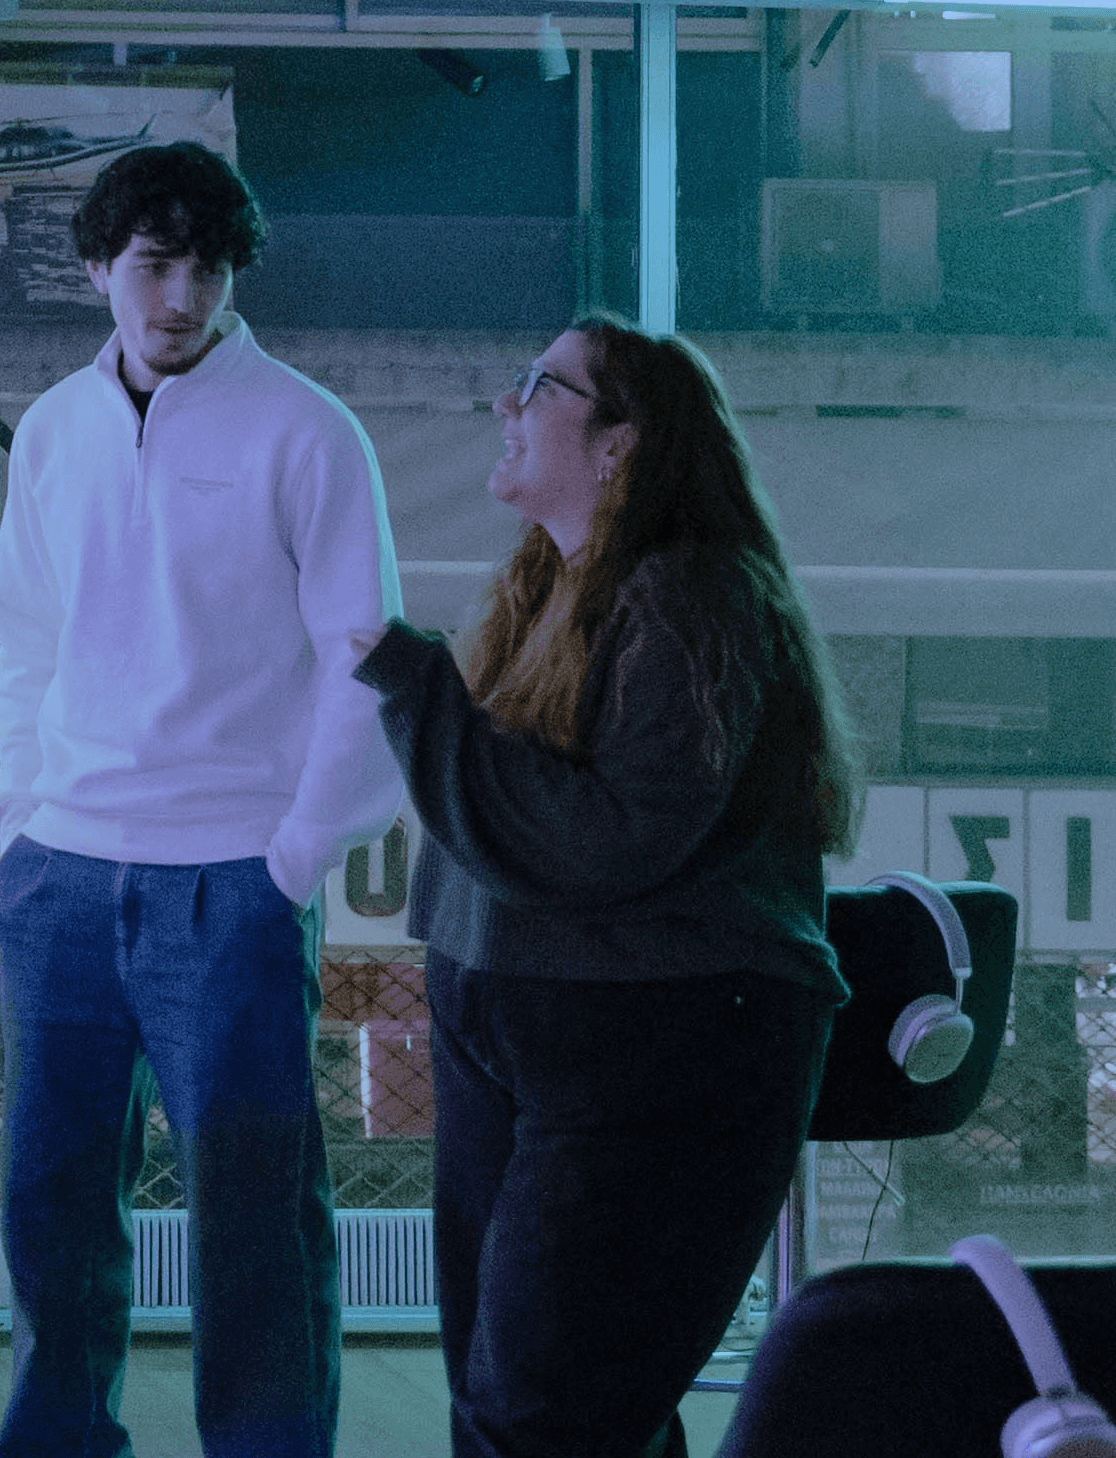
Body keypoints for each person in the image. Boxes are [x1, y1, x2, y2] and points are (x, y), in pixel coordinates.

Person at [350, 317, 853, 1458]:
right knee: (529, 1401)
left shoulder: (693, 597)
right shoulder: (547, 587)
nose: (506, 405)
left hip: (655, 1043)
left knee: (543, 1411)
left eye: (539, 386)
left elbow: (607, 839)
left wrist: (417, 686)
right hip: (537, 1034)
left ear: (620, 441)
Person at [0, 141, 404, 1457]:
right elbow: (26, 638)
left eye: (208, 268)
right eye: (155, 265)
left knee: (254, 1217)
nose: (181, 298)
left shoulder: (307, 430)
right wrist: (20, 811)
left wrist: (298, 851)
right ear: (97, 268)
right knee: (49, 1206)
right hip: (60, 873)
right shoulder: (53, 430)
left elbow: (368, 660)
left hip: (233, 880)